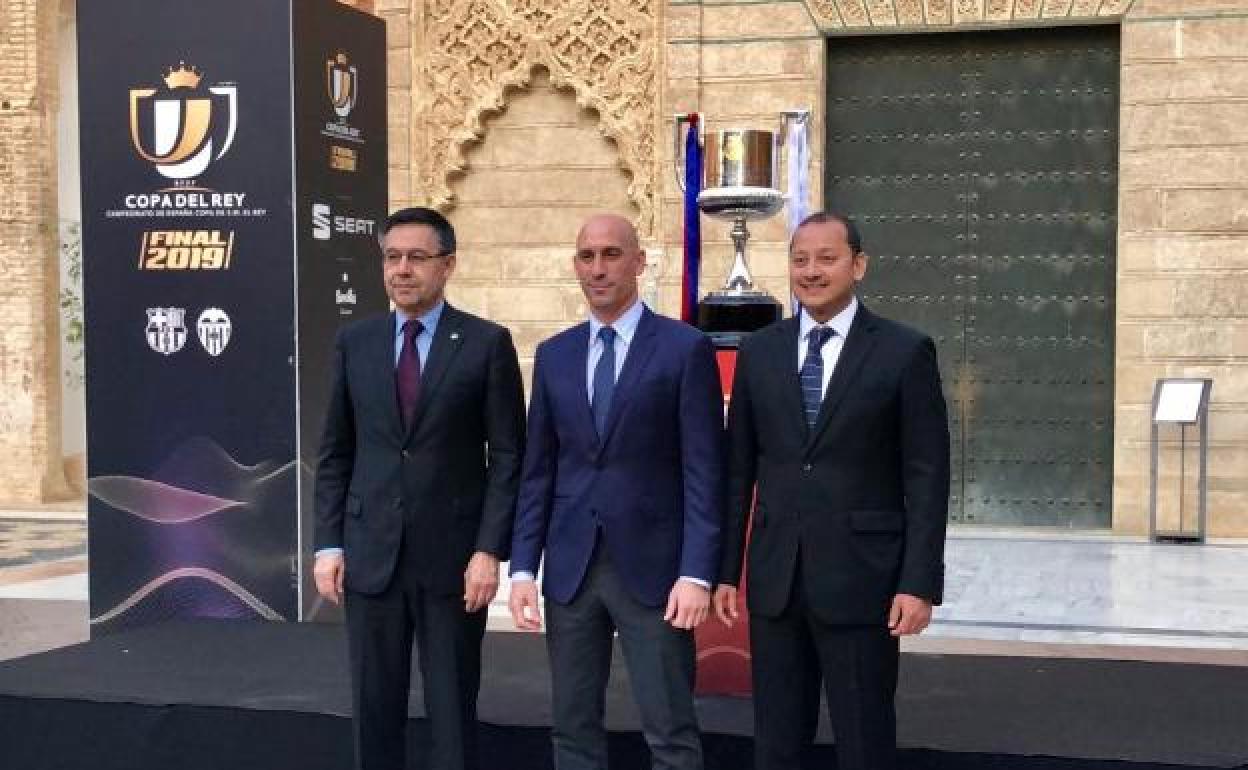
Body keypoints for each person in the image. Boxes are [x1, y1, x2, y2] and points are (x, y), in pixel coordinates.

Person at [712, 211, 950, 770]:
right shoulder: (760, 352)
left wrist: (918, 584)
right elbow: (737, 469)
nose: (811, 271)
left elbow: (927, 475)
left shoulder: (904, 352)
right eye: (800, 259)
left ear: (858, 266)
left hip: (863, 581)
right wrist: (726, 571)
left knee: (864, 740)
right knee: (776, 741)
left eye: (826, 258)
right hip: (777, 583)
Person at [507, 213, 724, 770]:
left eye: (610, 254)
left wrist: (697, 572)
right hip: (571, 571)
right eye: (586, 256)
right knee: (573, 730)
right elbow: (539, 470)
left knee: (670, 731)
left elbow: (704, 470)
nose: (597, 268)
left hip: (657, 573)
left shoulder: (684, 348)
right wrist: (525, 569)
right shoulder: (555, 354)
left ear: (638, 261)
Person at [313, 207, 526, 770]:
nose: (402, 269)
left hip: (453, 563)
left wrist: (489, 551)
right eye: (391, 256)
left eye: (416, 257)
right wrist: (328, 544)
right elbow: (336, 452)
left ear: (448, 265)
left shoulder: (485, 344)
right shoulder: (355, 343)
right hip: (370, 555)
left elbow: (507, 458)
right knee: (373, 707)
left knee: (453, 710)